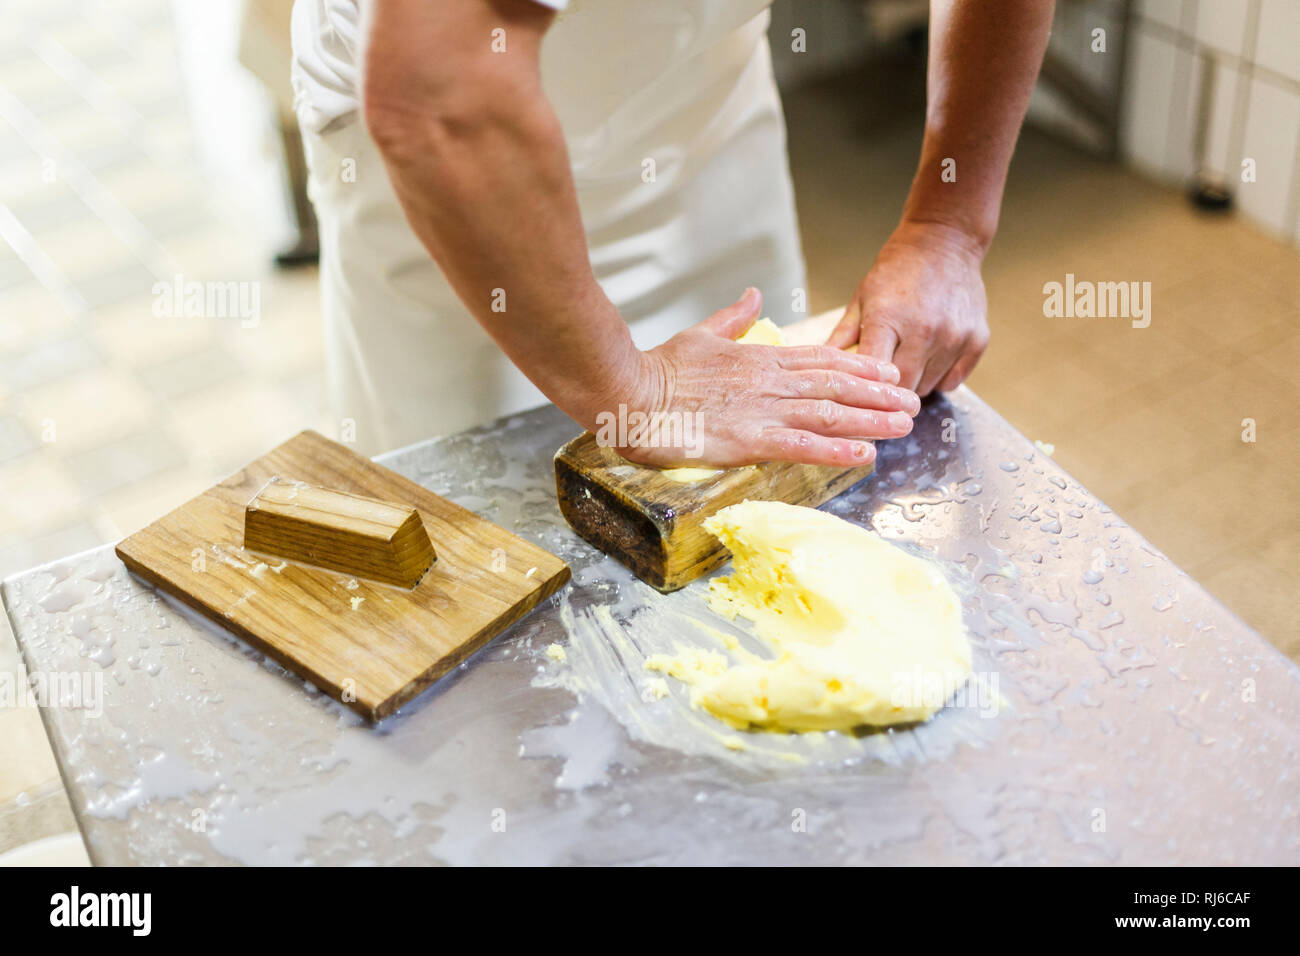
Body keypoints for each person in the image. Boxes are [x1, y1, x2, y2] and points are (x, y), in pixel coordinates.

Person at [291, 0, 1052, 460]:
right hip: (454, 175)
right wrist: (633, 391)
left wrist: (948, 227)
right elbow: (437, 93)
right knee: (489, 558)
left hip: (702, 103)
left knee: (757, 510)